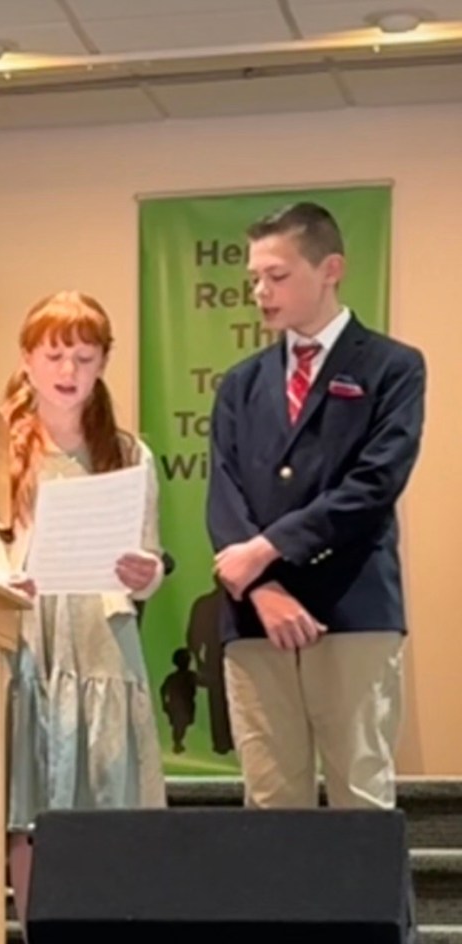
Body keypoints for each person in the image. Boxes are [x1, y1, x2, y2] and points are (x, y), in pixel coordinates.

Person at [206, 201, 425, 810]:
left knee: (360, 796)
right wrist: (261, 588)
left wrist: (266, 550)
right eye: (254, 278)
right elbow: (223, 496)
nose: (260, 292)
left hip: (351, 608)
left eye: (276, 276)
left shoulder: (392, 367)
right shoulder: (240, 383)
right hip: (255, 618)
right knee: (271, 802)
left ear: (331, 269)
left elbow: (374, 483)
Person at [0, 290, 166, 934]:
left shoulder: (128, 453)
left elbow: (148, 555)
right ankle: (41, 930)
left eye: (83, 356)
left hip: (101, 640)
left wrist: (148, 572)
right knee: (30, 811)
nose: (68, 370)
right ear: (27, 359)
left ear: (103, 362)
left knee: (108, 800)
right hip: (28, 636)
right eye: (54, 355)